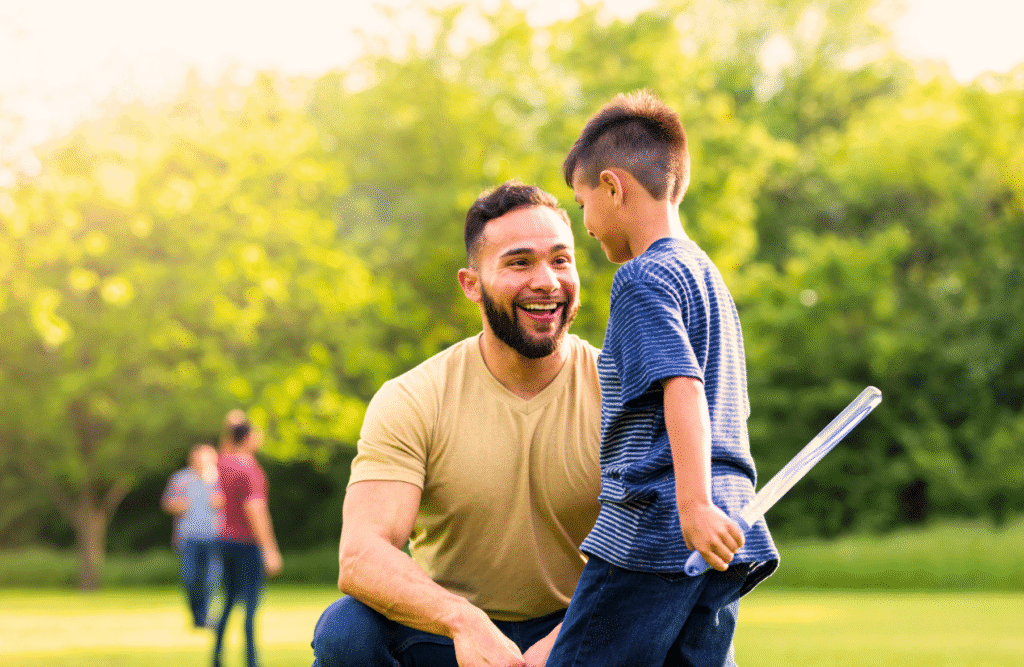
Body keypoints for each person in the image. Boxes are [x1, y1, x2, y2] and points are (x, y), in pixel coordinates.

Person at [310, 180, 602, 667]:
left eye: (560, 259)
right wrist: (464, 622)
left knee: (679, 615)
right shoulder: (413, 398)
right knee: (346, 631)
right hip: (449, 634)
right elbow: (361, 555)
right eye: (519, 262)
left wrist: (565, 640)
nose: (548, 281)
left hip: (578, 628)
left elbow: (650, 549)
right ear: (471, 284)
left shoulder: (617, 390)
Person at [544, 90, 780, 667]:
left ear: (613, 187)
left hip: (656, 526)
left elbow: (684, 387)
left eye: (582, 204)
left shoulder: (642, 278)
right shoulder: (707, 276)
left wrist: (692, 504)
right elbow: (731, 407)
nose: (589, 226)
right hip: (732, 527)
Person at [213, 417, 283, 667]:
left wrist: (230, 426)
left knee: (229, 600)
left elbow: (224, 447)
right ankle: (252, 662)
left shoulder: (223, 464)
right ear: (249, 438)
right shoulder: (250, 469)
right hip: (247, 543)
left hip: (225, 541)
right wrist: (270, 550)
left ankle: (217, 658)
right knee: (251, 605)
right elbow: (255, 509)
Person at [161, 442, 224, 628]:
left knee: (210, 579)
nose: (200, 462)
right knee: (190, 578)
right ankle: (196, 616)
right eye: (196, 458)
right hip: (188, 537)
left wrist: (221, 502)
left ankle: (205, 617)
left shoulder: (220, 479)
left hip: (215, 536)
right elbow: (167, 502)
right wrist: (177, 505)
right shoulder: (181, 479)